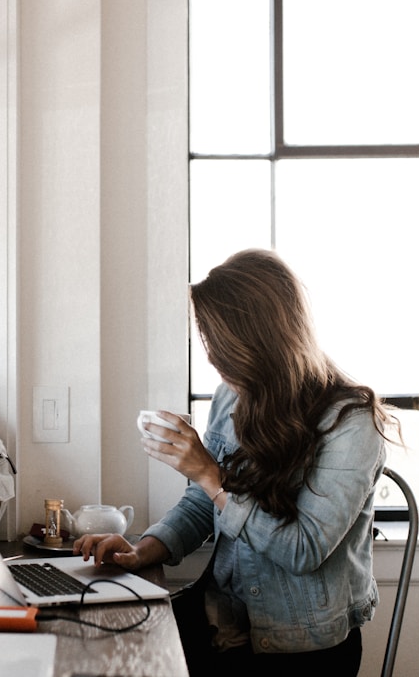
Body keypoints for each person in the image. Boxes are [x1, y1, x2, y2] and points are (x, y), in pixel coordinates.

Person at [73, 248, 399, 675]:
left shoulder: (351, 423)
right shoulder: (234, 395)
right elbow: (200, 504)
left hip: (299, 645)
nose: (212, 357)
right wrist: (140, 551)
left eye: (218, 344)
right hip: (223, 617)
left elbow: (303, 550)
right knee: (105, 649)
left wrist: (210, 474)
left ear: (260, 339)